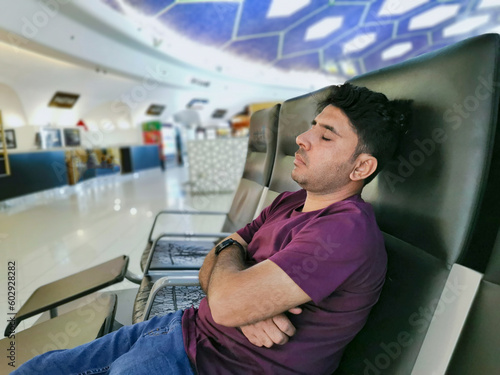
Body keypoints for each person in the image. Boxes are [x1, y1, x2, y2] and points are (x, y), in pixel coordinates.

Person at [13, 83, 411, 375]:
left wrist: (235, 290)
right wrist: (240, 295)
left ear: (361, 168)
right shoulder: (289, 202)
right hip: (180, 327)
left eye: (325, 136)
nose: (302, 139)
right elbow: (218, 268)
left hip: (206, 364)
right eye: (311, 127)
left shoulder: (345, 231)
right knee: (37, 368)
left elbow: (225, 295)